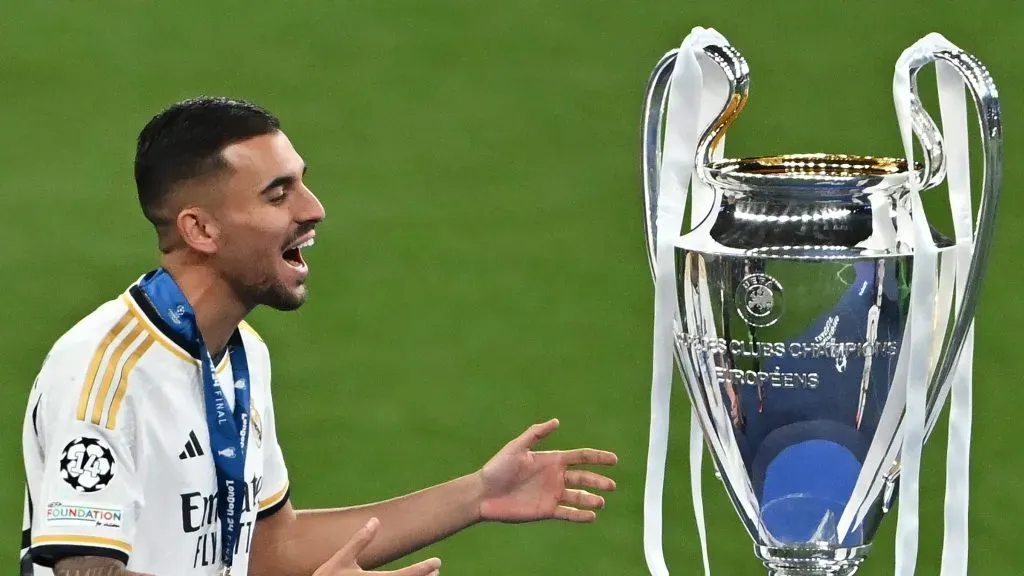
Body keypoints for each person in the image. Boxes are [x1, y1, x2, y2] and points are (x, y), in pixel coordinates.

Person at [20, 97, 618, 576]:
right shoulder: (105, 370)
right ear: (200, 228)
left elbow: (271, 550)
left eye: (302, 183)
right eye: (278, 193)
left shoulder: (241, 353)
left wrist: (478, 497)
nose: (314, 208)